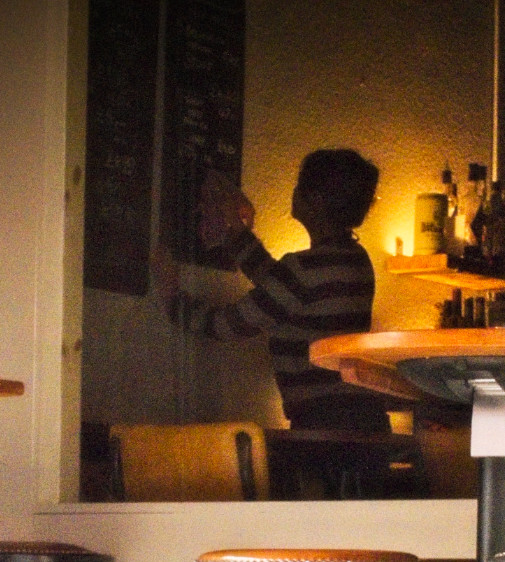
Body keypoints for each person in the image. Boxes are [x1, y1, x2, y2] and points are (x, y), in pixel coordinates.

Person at [153, 148, 388, 431]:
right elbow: (281, 287)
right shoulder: (356, 259)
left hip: (325, 426)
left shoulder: (303, 269)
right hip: (358, 419)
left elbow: (228, 325)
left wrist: (171, 298)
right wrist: (235, 233)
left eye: (299, 185)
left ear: (314, 199)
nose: (294, 191)